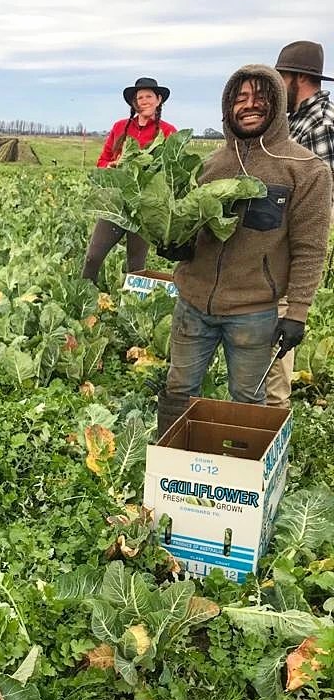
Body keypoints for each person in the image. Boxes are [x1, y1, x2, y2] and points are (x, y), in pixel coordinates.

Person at [157, 64, 332, 437]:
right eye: (240, 98)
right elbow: (191, 232)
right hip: (193, 304)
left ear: (277, 103)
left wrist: (297, 312)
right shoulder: (208, 166)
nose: (249, 105)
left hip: (254, 313)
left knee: (248, 401)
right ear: (227, 107)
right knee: (178, 390)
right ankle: (170, 472)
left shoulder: (305, 168)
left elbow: (310, 248)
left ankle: (243, 481)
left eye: (260, 97)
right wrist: (175, 244)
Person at [265, 41, 334, 408]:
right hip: (272, 249)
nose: (277, 85)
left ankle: (274, 432)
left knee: (277, 356)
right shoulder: (296, 119)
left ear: (300, 78)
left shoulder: (321, 123)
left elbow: (320, 203)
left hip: (291, 252)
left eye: (281, 77)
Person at [82, 77, 177, 285]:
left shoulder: (168, 131)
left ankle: (132, 308)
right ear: (134, 103)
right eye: (139, 97)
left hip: (144, 207)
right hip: (117, 203)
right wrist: (110, 166)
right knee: (93, 257)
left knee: (136, 265)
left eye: (148, 96)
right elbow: (102, 160)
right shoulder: (120, 127)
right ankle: (83, 299)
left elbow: (172, 168)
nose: (143, 100)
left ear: (158, 99)